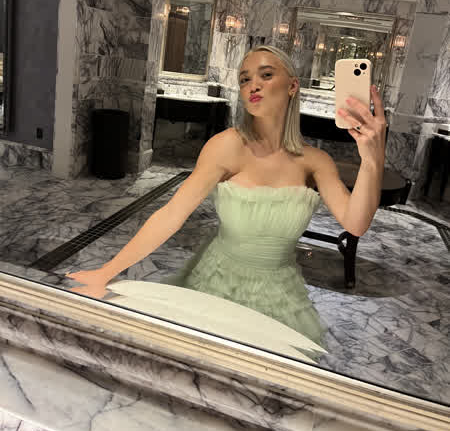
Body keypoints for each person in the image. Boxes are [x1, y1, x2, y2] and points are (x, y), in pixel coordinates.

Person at [67, 45, 387, 352]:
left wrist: (373, 160)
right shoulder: (226, 146)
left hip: (280, 294)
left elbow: (355, 224)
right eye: (245, 79)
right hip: (216, 282)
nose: (253, 85)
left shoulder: (316, 161)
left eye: (265, 75)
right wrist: (106, 271)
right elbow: (171, 215)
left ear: (292, 86)